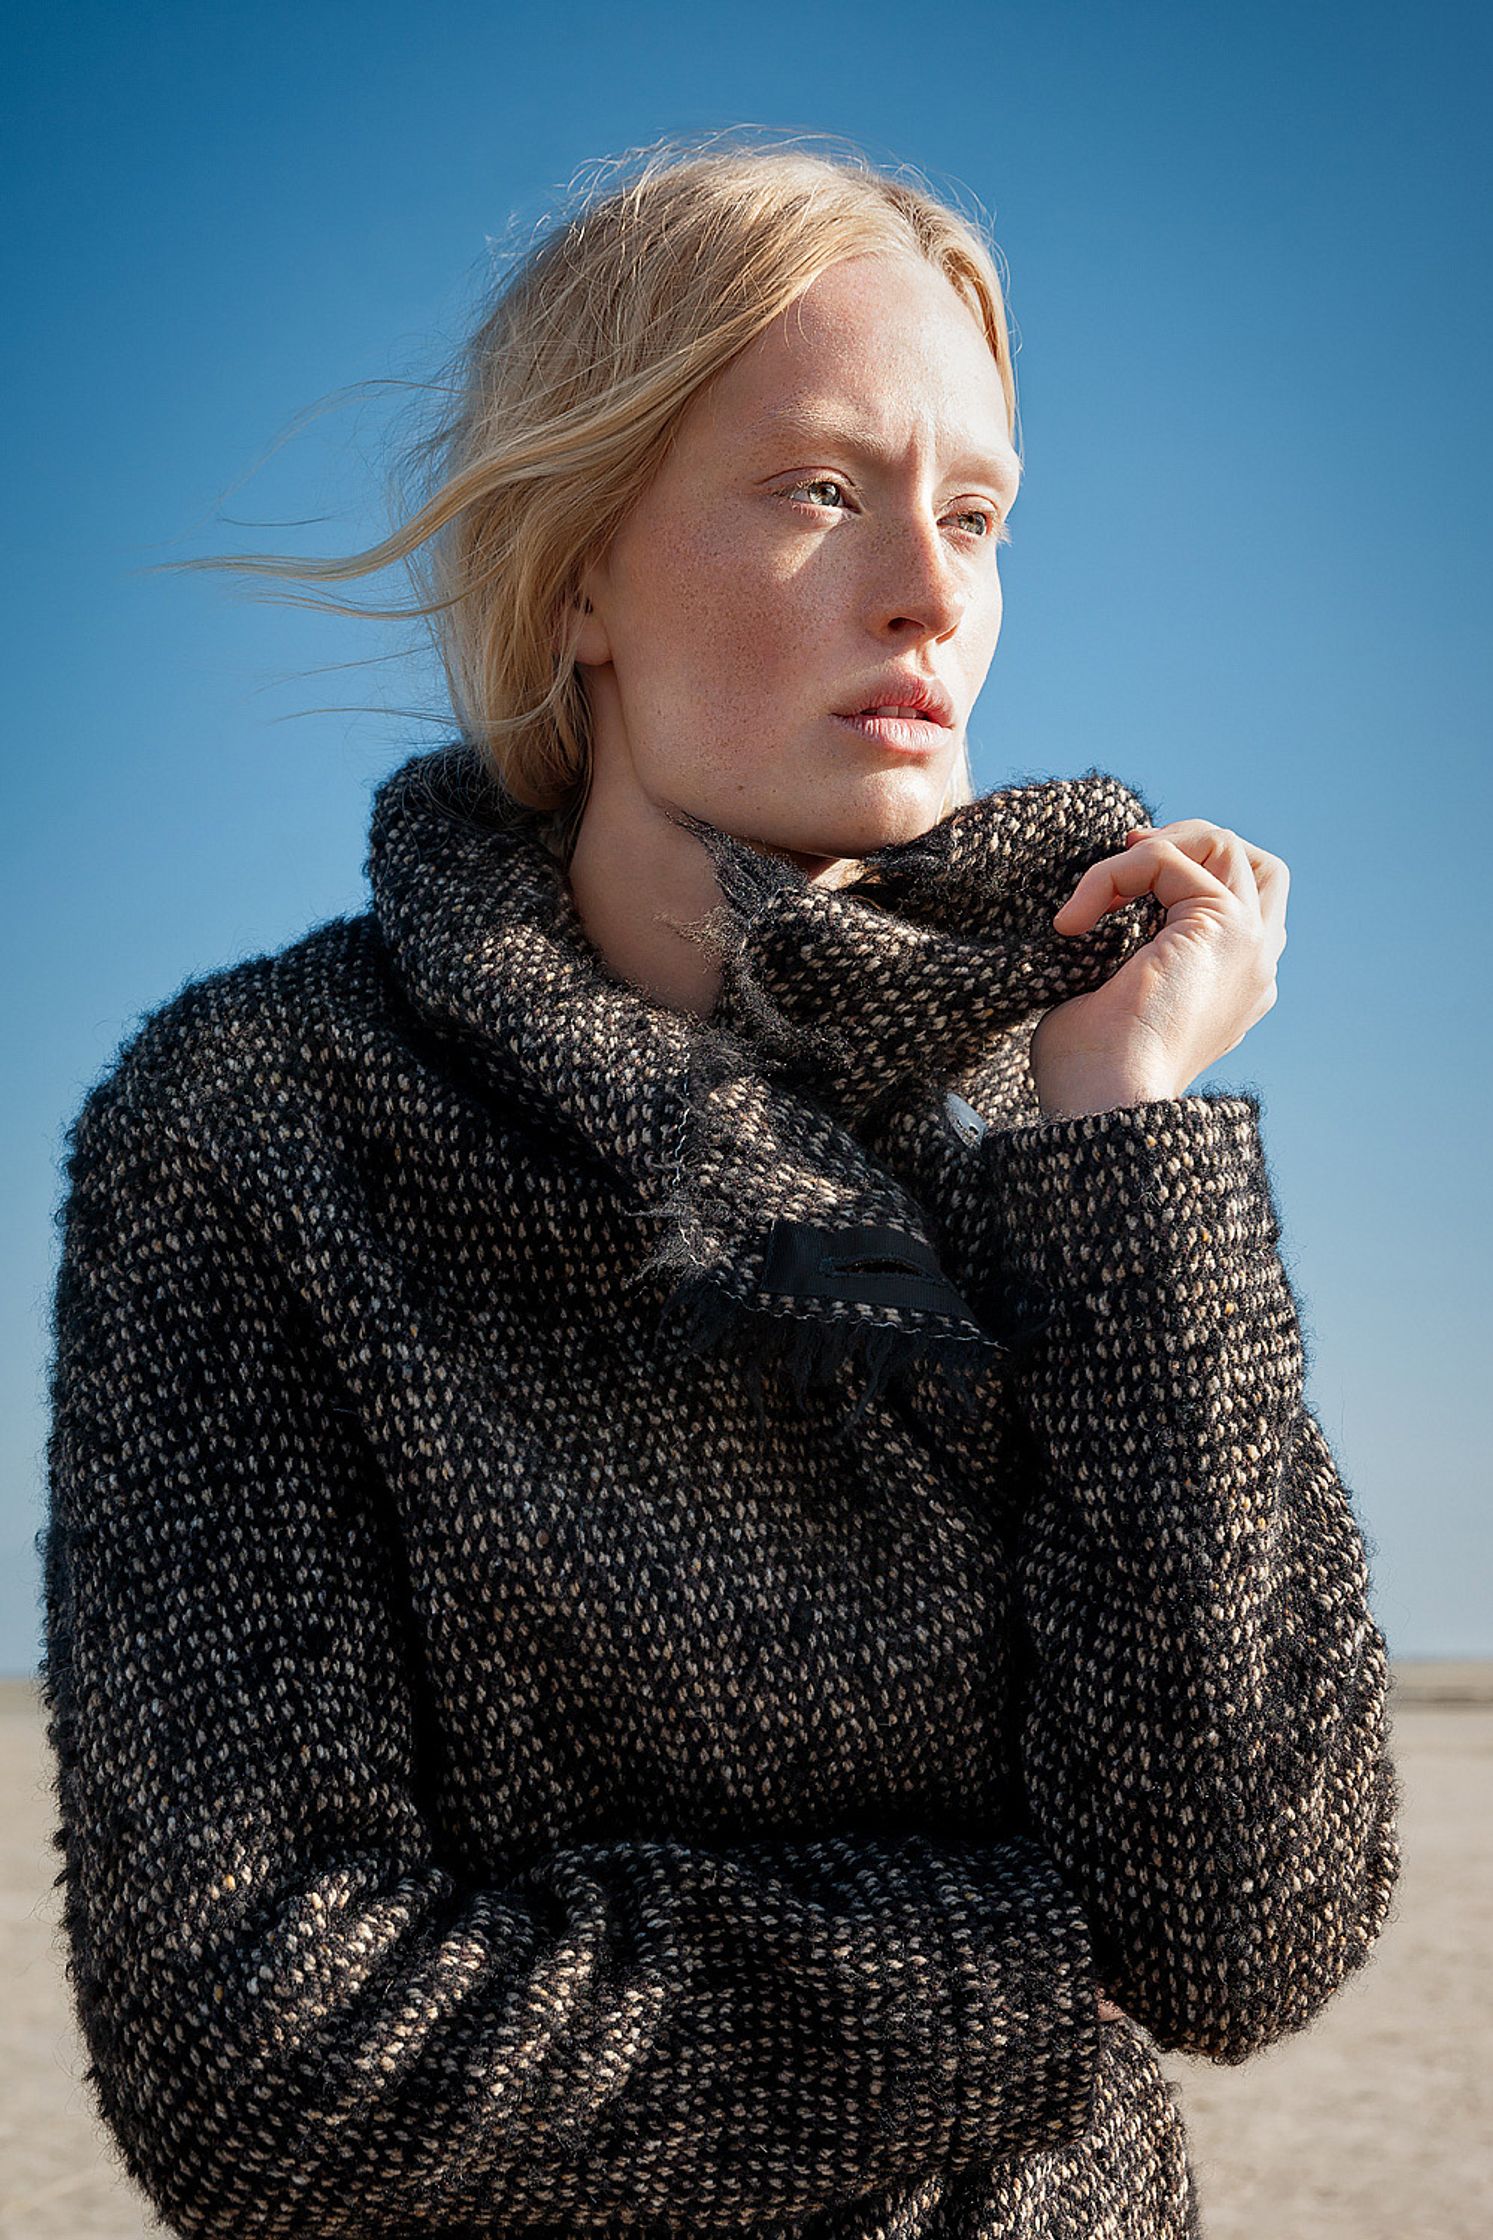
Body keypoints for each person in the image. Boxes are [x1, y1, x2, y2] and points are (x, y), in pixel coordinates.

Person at [40, 131, 1401, 2239]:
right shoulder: (267, 1128)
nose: (930, 592)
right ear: (576, 568)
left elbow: (1245, 1930)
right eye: (817, 491)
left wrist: (1125, 1139)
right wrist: (1017, 1967)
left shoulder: (1057, 1131)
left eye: (975, 513)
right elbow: (264, 2071)